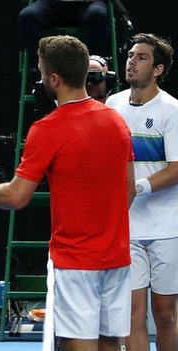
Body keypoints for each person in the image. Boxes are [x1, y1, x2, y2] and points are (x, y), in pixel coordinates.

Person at [0, 35, 134, 351]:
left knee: (78, 345)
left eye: (40, 72)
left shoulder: (47, 129)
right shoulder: (116, 120)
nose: (39, 79)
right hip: (117, 257)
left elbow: (16, 197)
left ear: (54, 79)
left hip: (76, 261)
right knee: (110, 343)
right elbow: (129, 188)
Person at [105, 33, 178, 351]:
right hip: (127, 230)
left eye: (142, 57)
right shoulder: (113, 104)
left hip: (167, 230)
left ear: (158, 69)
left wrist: (137, 187)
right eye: (131, 55)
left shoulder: (172, 110)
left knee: (165, 317)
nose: (131, 61)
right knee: (133, 318)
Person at [19, 0, 110, 70]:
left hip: (87, 4)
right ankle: (40, 70)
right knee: (27, 16)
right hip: (52, 5)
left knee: (98, 15)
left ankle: (93, 68)